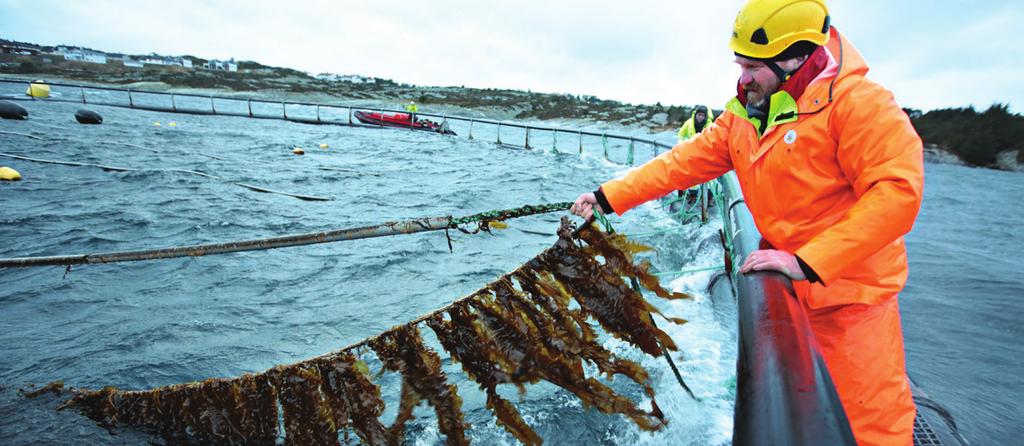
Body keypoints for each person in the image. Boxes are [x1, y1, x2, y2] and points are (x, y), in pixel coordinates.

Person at [570, 1, 923, 444]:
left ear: (796, 60)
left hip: (851, 306)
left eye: (754, 67)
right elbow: (682, 163)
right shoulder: (742, 115)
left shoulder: (862, 105)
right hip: (788, 291)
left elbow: (897, 194)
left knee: (872, 429)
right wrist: (608, 197)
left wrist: (809, 261)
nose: (744, 78)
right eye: (740, 65)